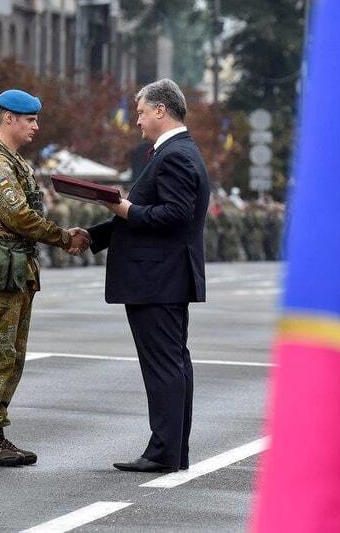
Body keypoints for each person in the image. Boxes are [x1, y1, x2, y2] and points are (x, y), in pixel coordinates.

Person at [82, 78, 210, 473]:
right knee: (172, 365)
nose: (136, 120)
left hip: (159, 279)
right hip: (164, 277)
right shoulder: (175, 152)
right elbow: (146, 210)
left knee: (164, 368)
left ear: (160, 110)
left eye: (140, 112)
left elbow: (173, 215)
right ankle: (172, 450)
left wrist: (123, 209)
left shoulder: (175, 156)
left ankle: (164, 452)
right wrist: (93, 236)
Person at [0, 89, 88, 467]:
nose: (36, 125)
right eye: (30, 119)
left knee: (12, 354)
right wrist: (64, 238)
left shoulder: (15, 162)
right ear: (8, 118)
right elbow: (18, 217)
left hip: (14, 268)